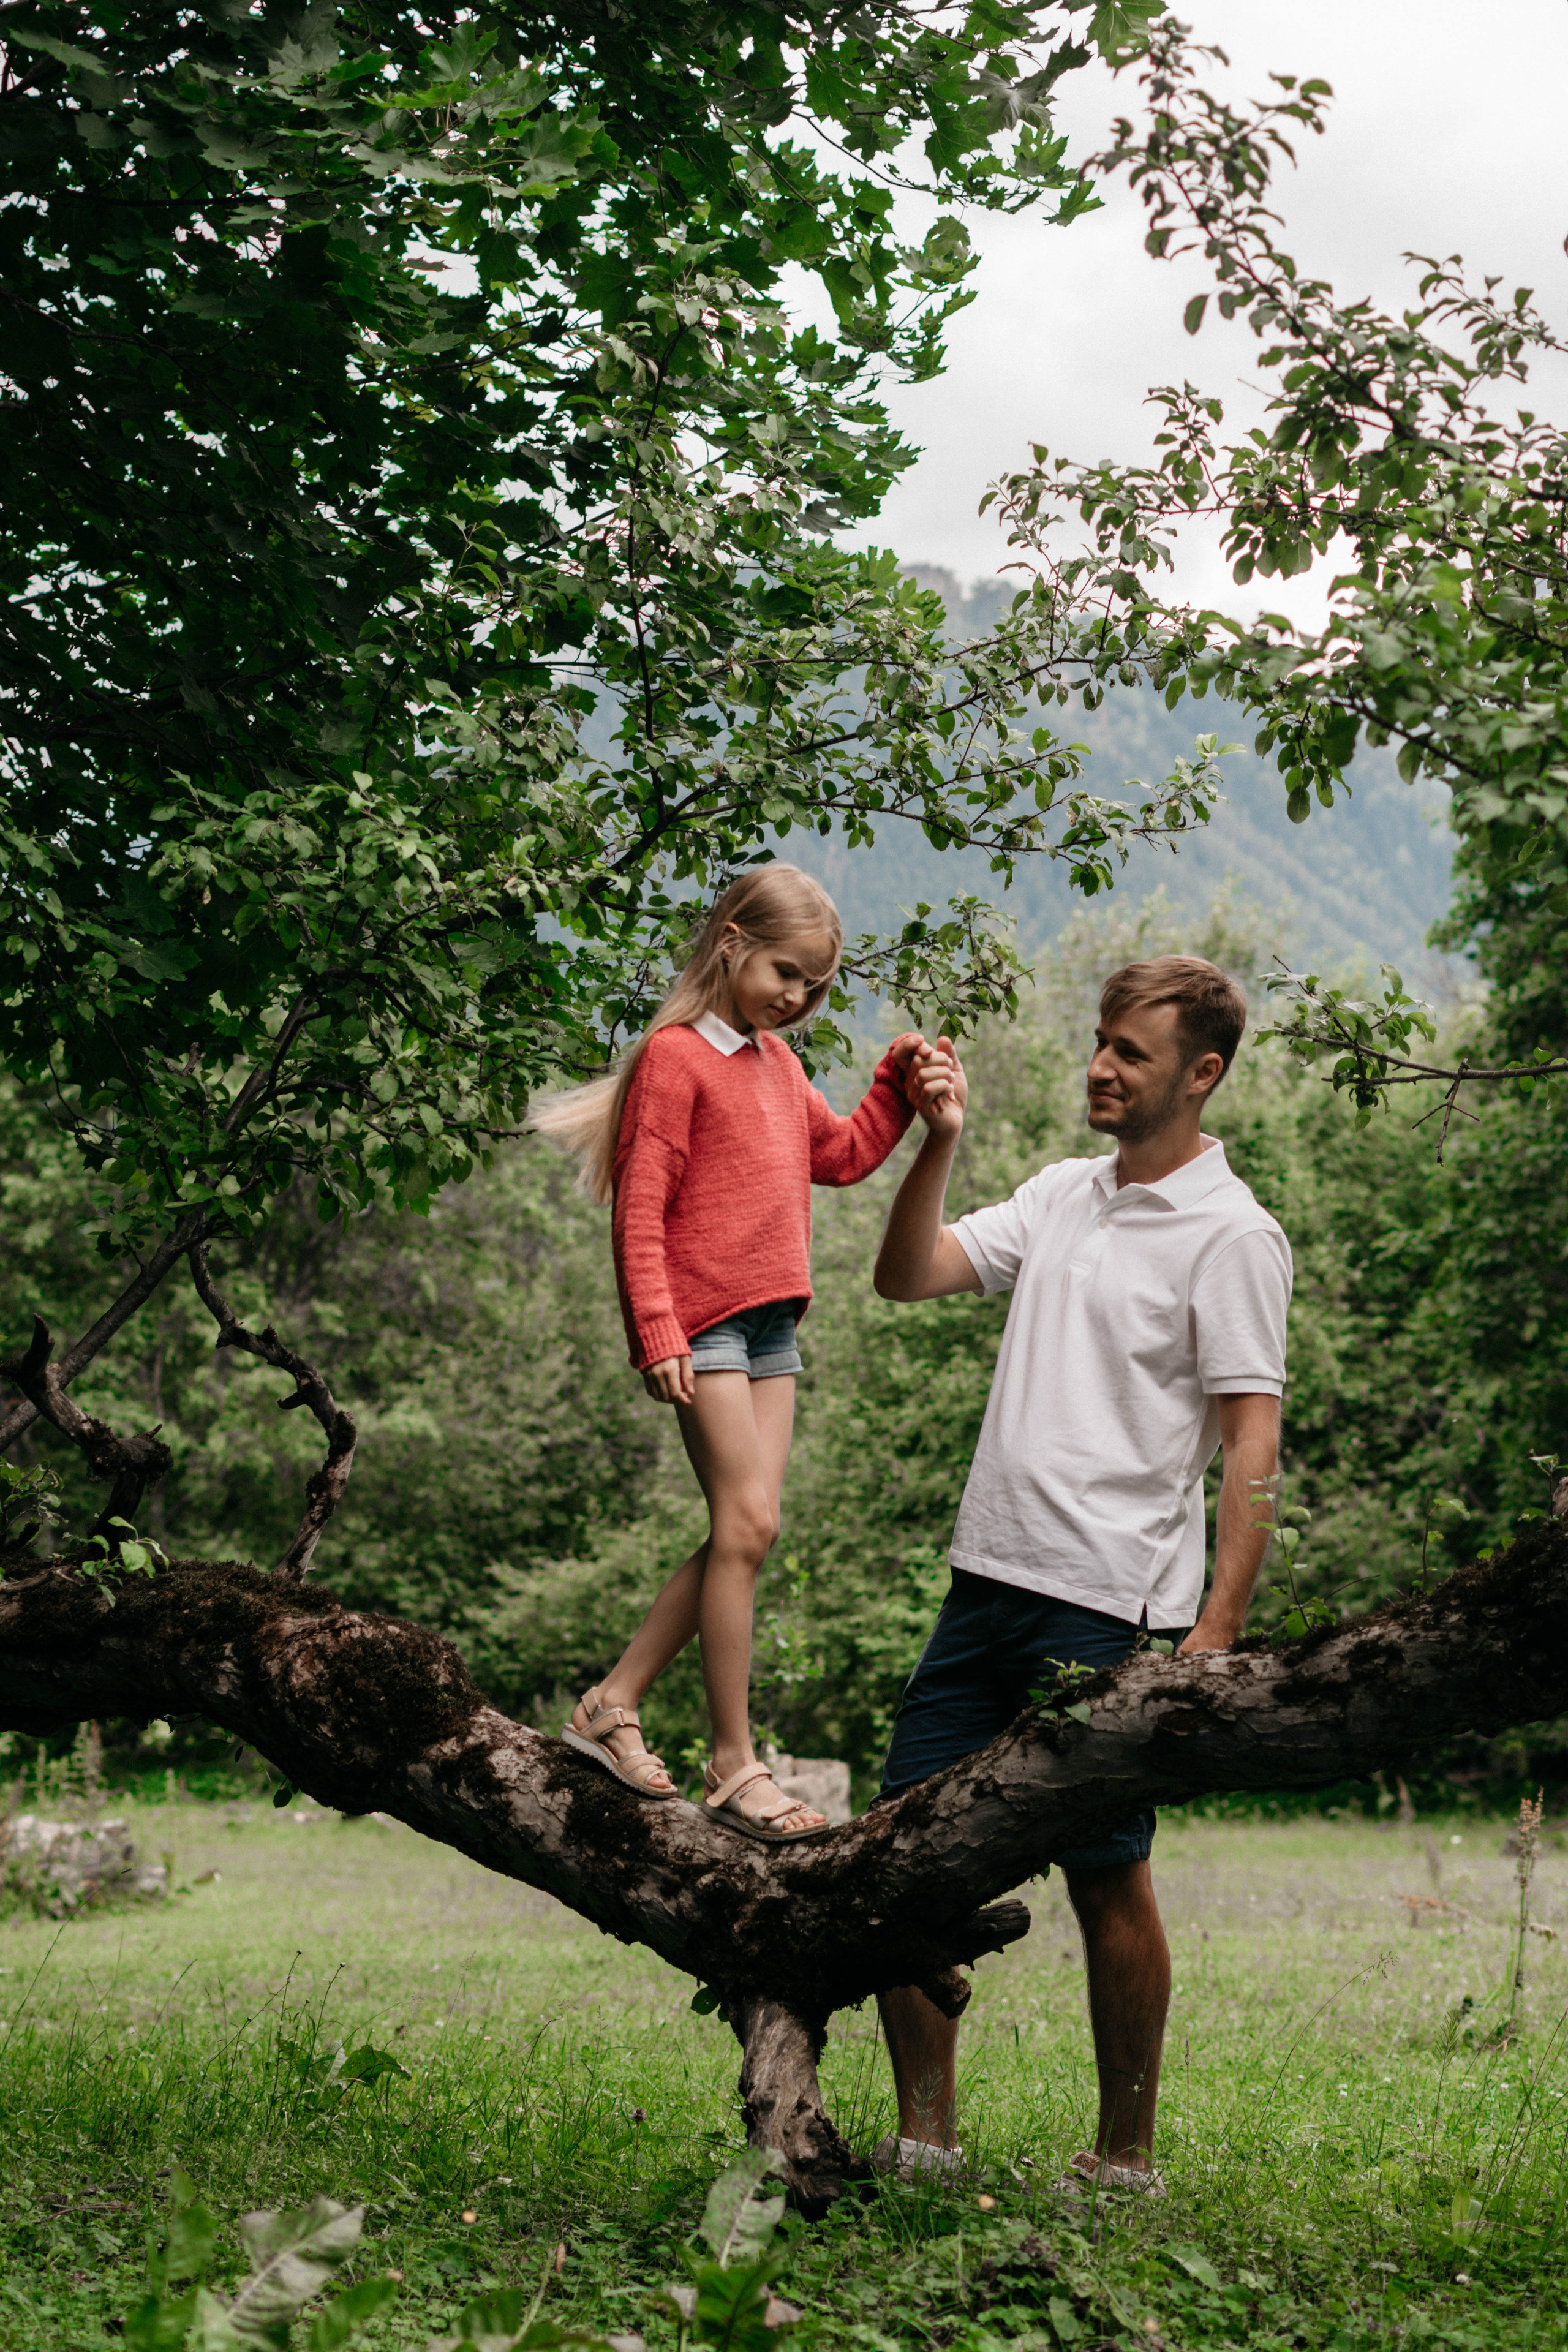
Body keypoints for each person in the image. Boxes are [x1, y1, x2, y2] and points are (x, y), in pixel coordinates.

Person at [870, 956, 1291, 2190]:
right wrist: (935, 1141)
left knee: (1105, 1877)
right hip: (981, 1581)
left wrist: (1217, 1631)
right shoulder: (1062, 1194)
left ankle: (1122, 2160)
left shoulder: (1231, 1234)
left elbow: (1249, 1445)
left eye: (1130, 1054)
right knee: (902, 1858)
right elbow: (906, 1275)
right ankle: (923, 2144)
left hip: (1106, 1606)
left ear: (1200, 1076)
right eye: (1098, 1043)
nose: (1099, 1068)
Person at [531, 865, 957, 1842]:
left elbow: (843, 1156)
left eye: (815, 986)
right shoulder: (676, 1059)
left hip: (772, 1327)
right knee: (749, 1519)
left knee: (748, 1533)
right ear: (730, 943)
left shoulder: (775, 1063)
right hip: (707, 1319)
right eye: (785, 973)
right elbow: (640, 1211)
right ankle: (735, 1765)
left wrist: (894, 1083)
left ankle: (610, 1705)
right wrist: (657, 1328)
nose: (798, 999)